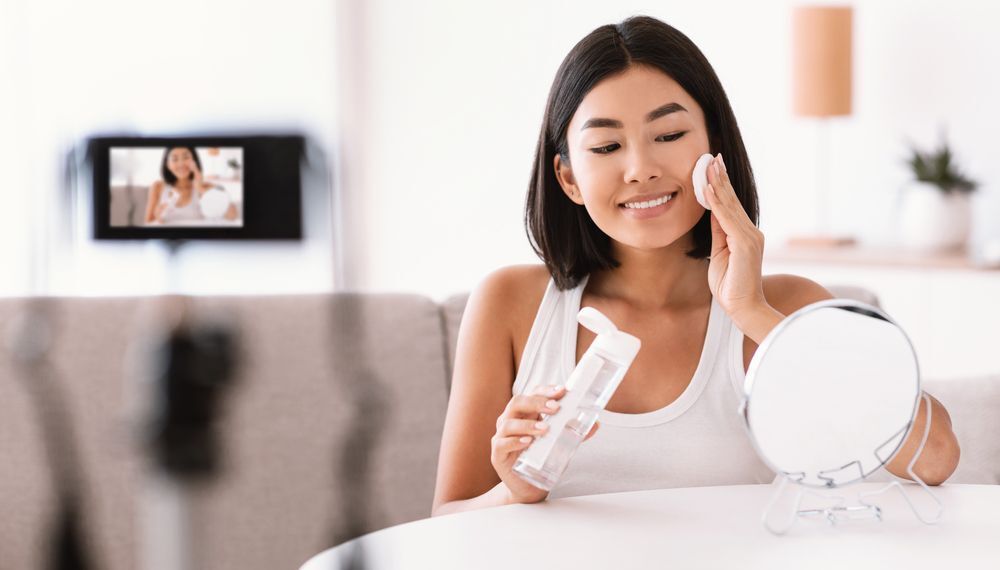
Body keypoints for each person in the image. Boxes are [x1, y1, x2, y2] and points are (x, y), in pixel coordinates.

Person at [431, 16, 960, 516]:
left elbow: (934, 459)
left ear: (715, 147)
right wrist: (512, 493)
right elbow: (445, 519)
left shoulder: (788, 306)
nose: (641, 169)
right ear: (568, 178)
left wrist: (753, 312)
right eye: (607, 145)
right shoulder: (510, 303)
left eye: (669, 136)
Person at [143, 147, 238, 225]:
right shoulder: (158, 186)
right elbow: (148, 223)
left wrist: (200, 189)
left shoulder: (206, 186)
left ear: (194, 161)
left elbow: (232, 215)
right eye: (174, 159)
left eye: (186, 157)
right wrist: (157, 216)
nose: (181, 164)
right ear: (168, 164)